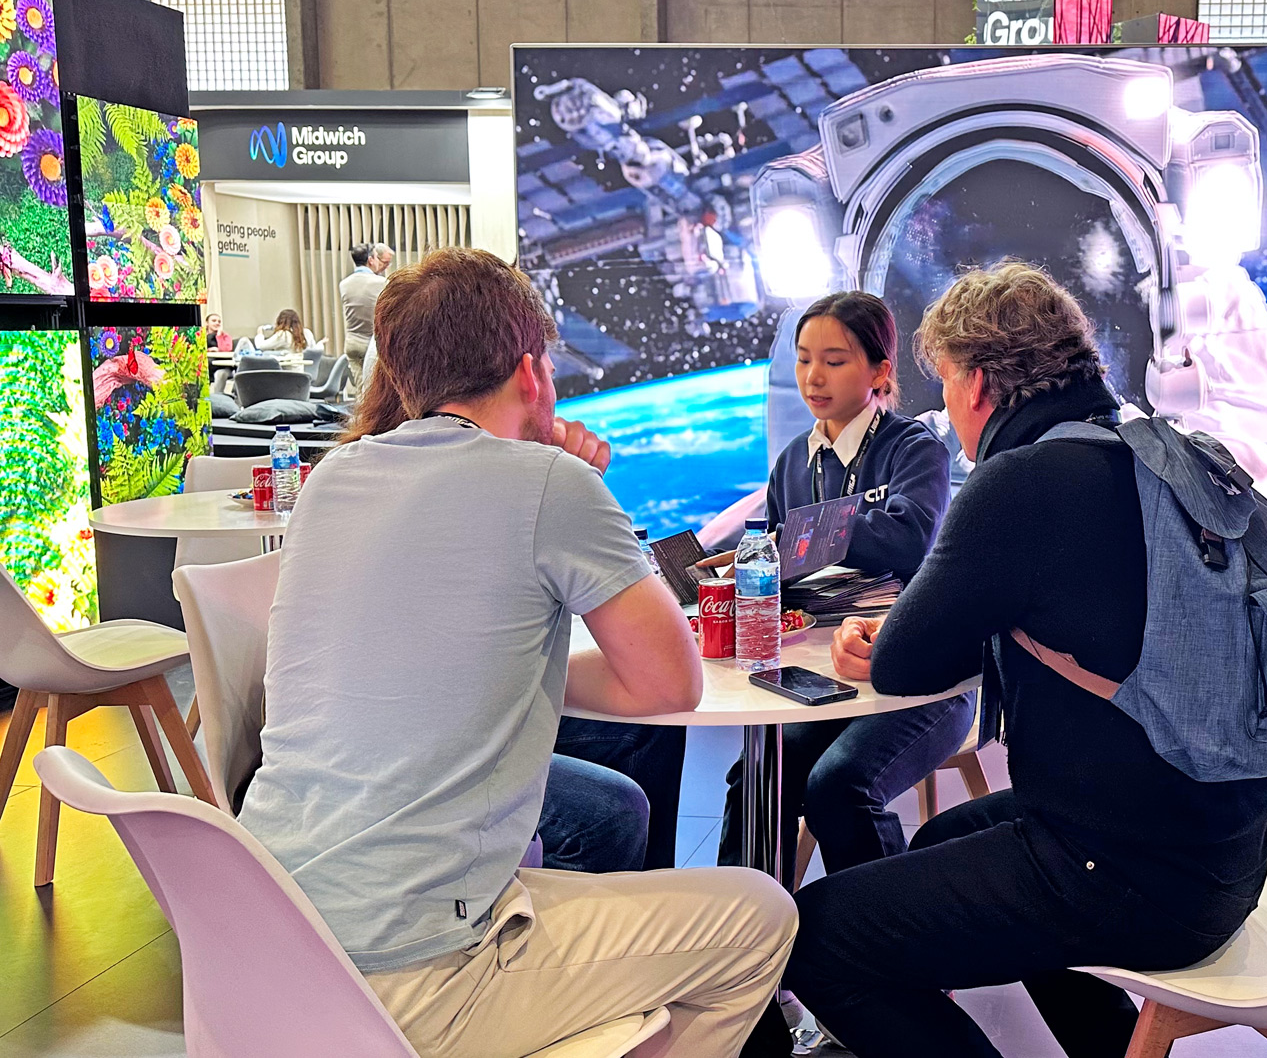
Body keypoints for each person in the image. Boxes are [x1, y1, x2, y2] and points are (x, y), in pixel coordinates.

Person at [235, 247, 795, 1058]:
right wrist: (576, 482)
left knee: (605, 814)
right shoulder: (551, 483)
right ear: (531, 371)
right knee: (761, 916)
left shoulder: (330, 478)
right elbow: (670, 681)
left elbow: (443, 649)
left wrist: (508, 665)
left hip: (266, 946)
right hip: (417, 978)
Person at [776, 263, 1267, 1058]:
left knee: (814, 939)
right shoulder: (1157, 453)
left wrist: (887, 637)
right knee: (940, 844)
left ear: (978, 385)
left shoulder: (1021, 480)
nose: (947, 408)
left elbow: (901, 663)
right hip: (1228, 847)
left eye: (946, 382)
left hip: (1123, 868)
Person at [711, 291, 960, 884]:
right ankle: (747, 931)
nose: (813, 377)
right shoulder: (791, 463)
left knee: (840, 785)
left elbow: (909, 540)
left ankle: (884, 938)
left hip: (917, 675)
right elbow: (776, 571)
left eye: (834, 360)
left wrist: (805, 536)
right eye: (803, 360)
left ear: (879, 371)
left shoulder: (914, 449)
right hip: (820, 675)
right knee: (756, 778)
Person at [342, 242, 392, 382]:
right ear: (371, 260)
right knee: (373, 388)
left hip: (352, 343)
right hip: (371, 345)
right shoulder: (381, 283)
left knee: (360, 387)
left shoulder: (344, 284)